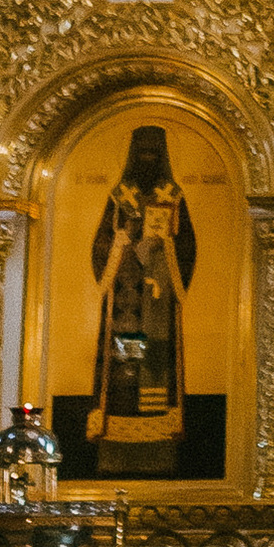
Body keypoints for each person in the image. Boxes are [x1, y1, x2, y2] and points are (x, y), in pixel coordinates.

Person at [88, 122, 195, 478]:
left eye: (154, 152)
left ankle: (157, 453)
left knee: (156, 368)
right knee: (125, 369)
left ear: (161, 155)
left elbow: (188, 246)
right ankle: (117, 453)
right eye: (142, 151)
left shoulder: (173, 196)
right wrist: (122, 240)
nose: (147, 158)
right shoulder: (120, 196)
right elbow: (101, 244)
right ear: (134, 155)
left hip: (157, 304)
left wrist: (164, 248)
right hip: (125, 307)